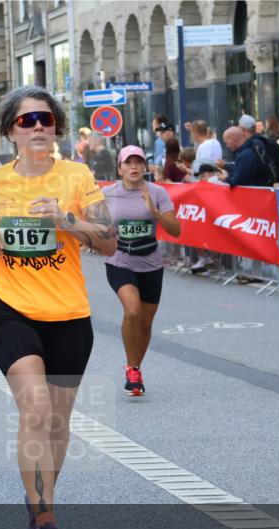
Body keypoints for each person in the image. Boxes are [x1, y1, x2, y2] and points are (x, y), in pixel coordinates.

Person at [0, 85, 117, 529]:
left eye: (45, 120)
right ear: (10, 130)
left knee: (56, 422)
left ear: (56, 127)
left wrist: (67, 220)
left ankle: (43, 505)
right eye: (27, 121)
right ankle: (44, 520)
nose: (37, 127)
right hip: (11, 307)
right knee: (35, 409)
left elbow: (111, 242)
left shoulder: (77, 176)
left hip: (70, 316)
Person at [102, 146, 180, 396]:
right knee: (133, 311)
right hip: (119, 262)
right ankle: (130, 368)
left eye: (139, 162)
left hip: (151, 264)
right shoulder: (107, 194)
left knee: (146, 323)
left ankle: (135, 367)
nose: (134, 167)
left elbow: (176, 230)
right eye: (128, 163)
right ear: (120, 167)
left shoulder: (157, 192)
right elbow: (94, 224)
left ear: (145, 167)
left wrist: (154, 211)